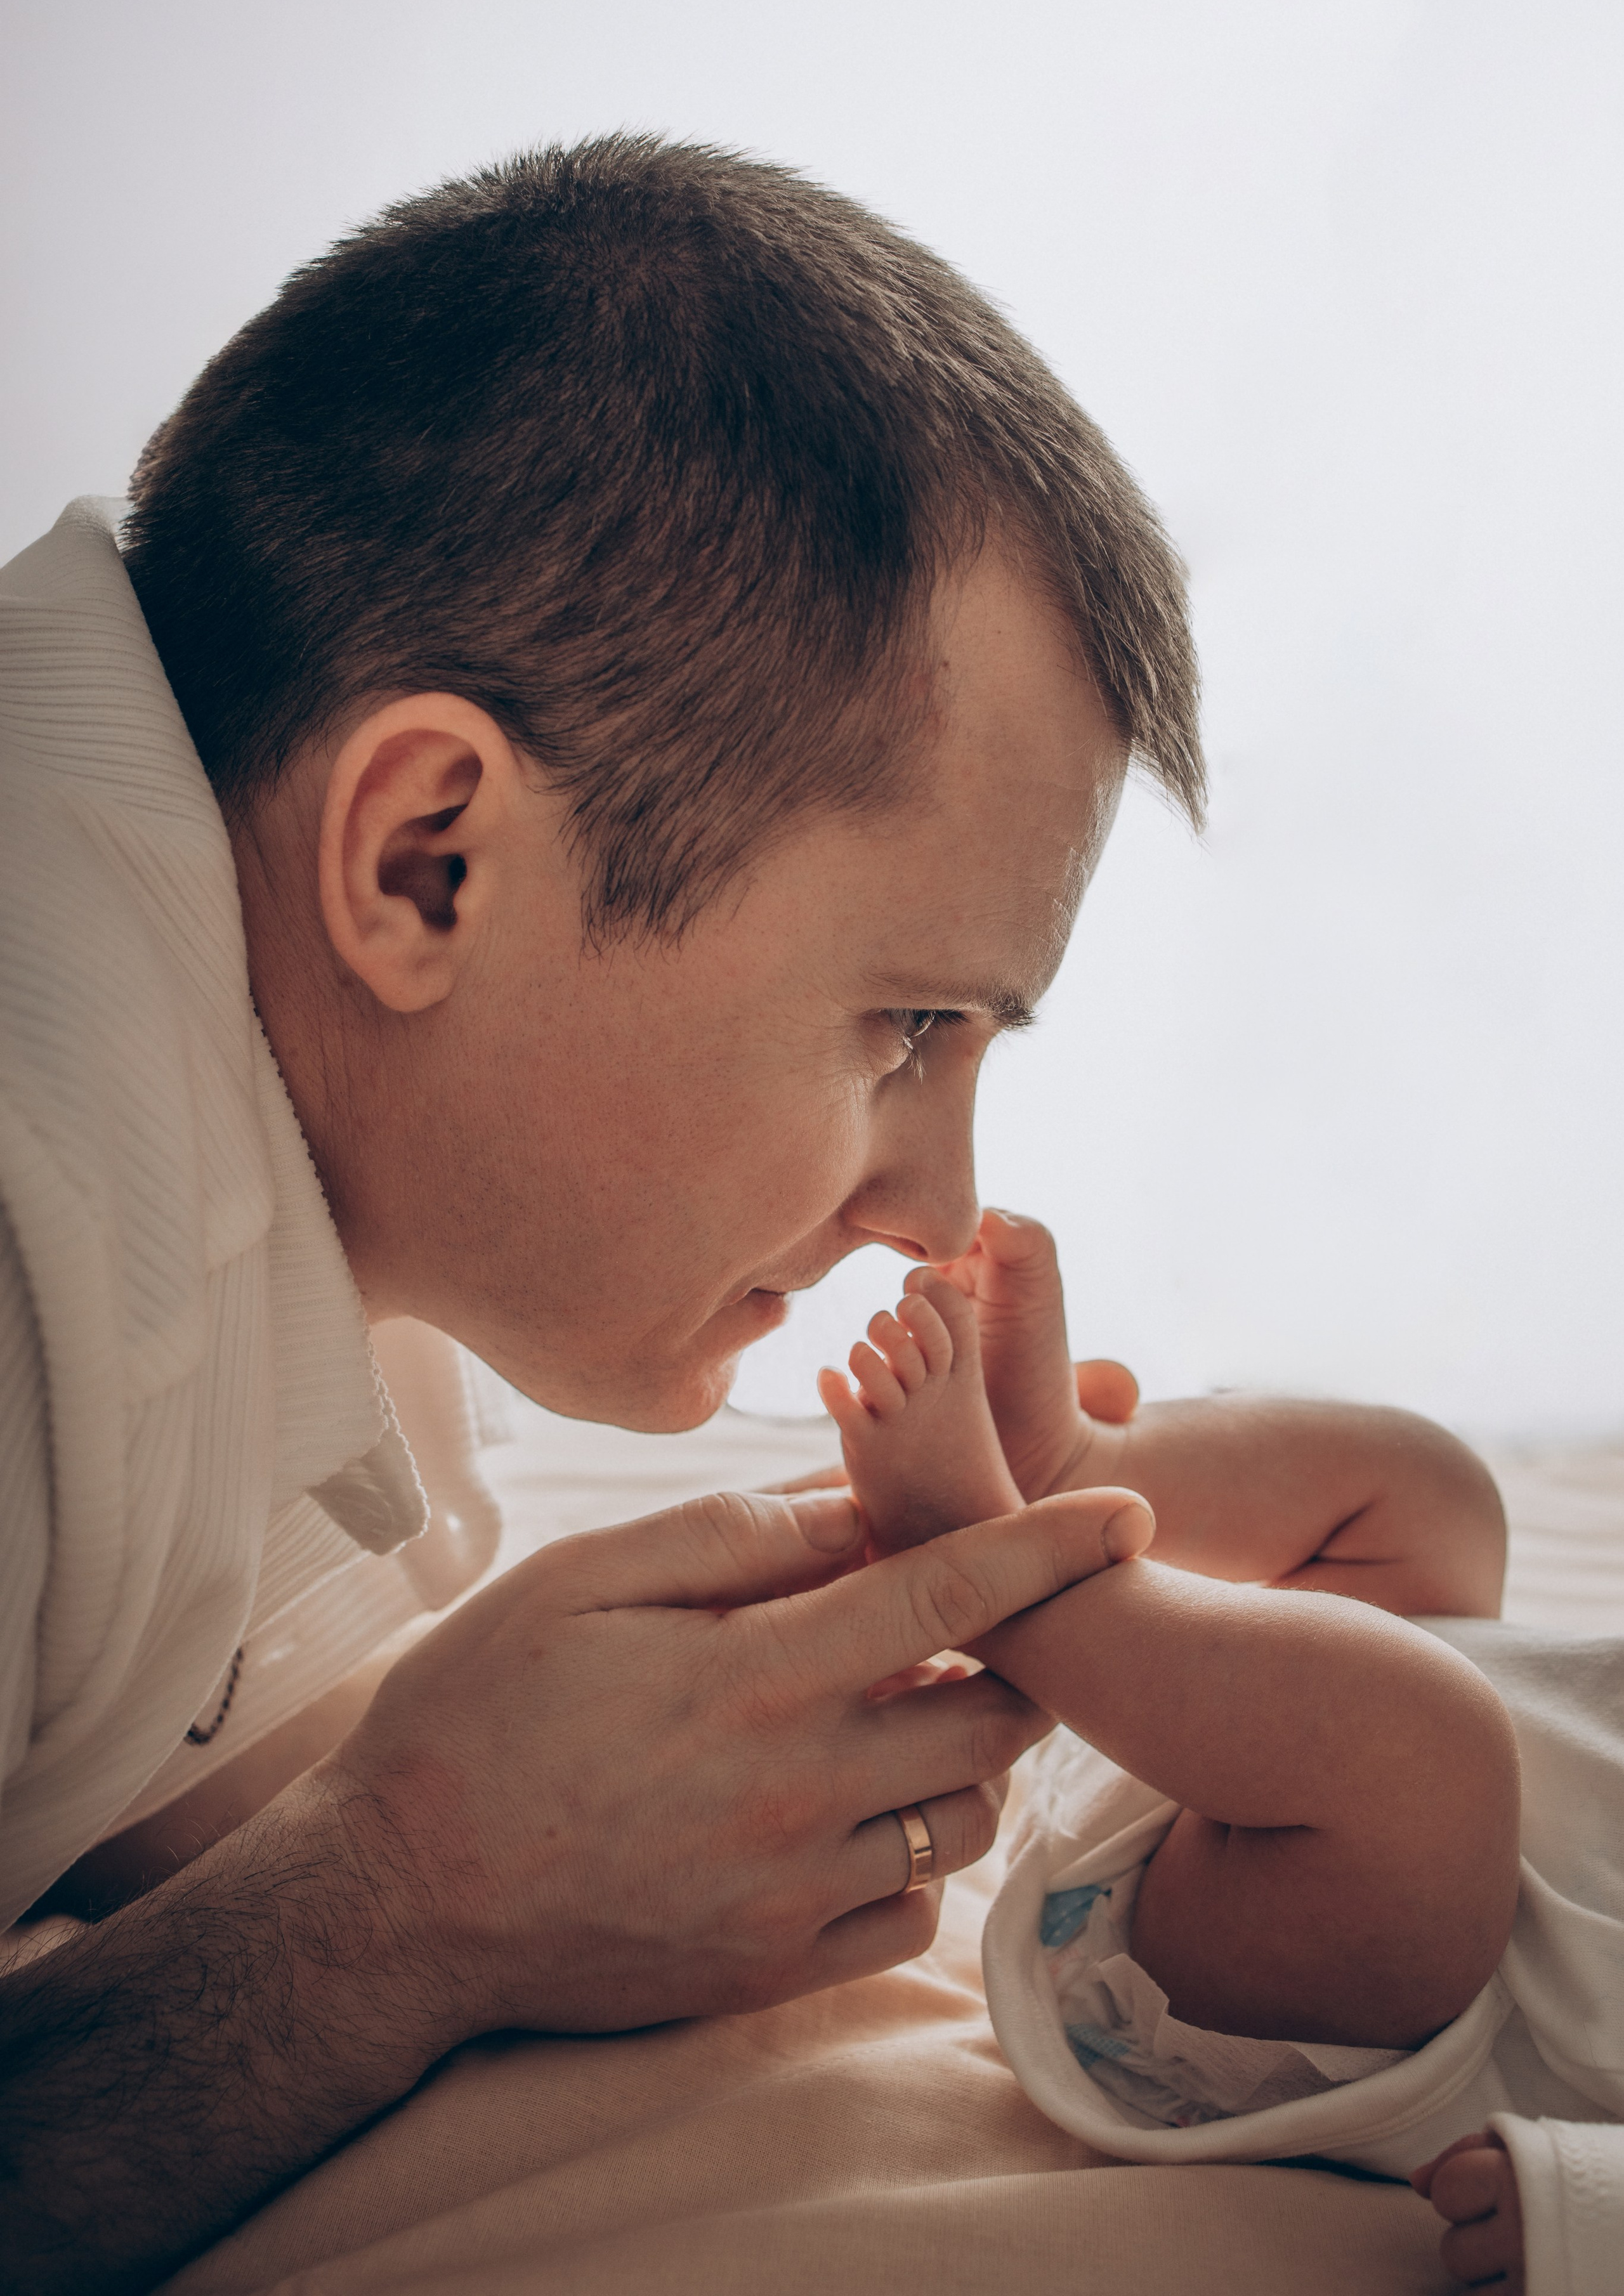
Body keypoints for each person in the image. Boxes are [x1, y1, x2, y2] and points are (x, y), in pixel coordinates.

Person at [0, 136, 1202, 2292]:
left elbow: (150, 1749)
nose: (940, 1213)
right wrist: (411, 1898)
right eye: (904, 1026)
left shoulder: (290, 1136)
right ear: (427, 859)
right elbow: (358, 1852)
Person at [819, 1208, 1624, 2294]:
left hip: (1378, 1976)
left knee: (1419, 1746)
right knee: (1435, 1492)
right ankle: (1073, 1471)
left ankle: (982, 1563)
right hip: (1338, 1727)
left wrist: (1587, 2205)